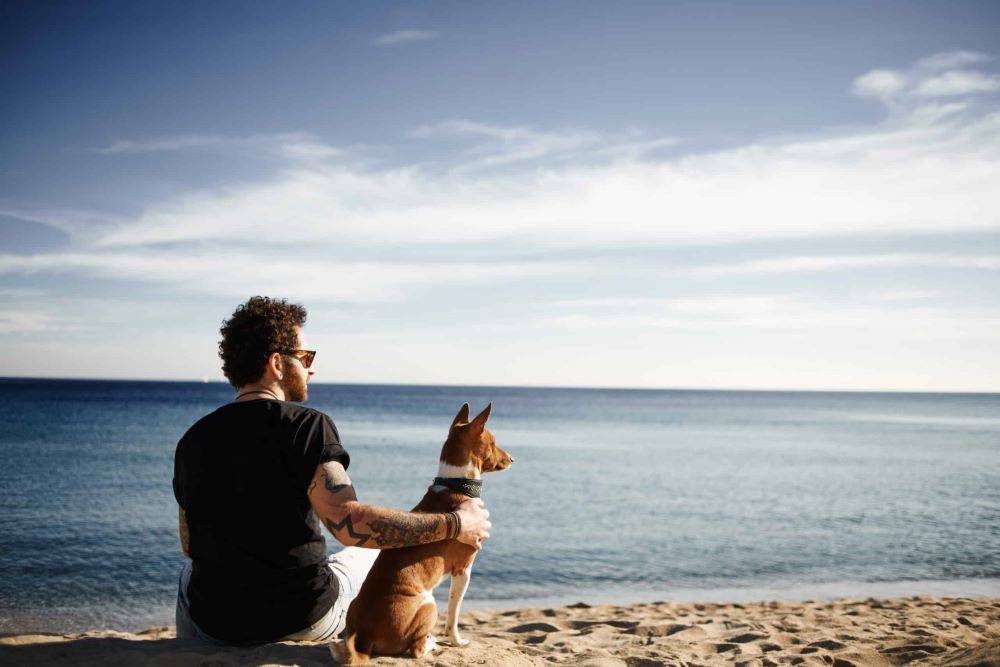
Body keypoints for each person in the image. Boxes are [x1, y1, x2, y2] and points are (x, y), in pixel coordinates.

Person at [173, 296, 491, 645]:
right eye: (305, 358)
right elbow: (350, 524)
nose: (311, 368)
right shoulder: (308, 427)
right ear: (277, 363)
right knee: (364, 553)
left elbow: (190, 545)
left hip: (214, 626)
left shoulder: (192, 439)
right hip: (300, 619)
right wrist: (456, 524)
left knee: (190, 571)